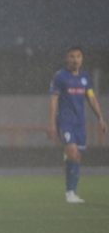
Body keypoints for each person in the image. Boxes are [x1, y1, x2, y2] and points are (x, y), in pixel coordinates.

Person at [47, 46, 107, 203]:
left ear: (82, 59)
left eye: (78, 56)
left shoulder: (85, 77)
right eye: (72, 56)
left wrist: (100, 118)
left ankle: (72, 190)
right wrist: (51, 124)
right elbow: (53, 101)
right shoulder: (60, 77)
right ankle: (70, 193)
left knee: (77, 157)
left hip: (80, 123)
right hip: (65, 121)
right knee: (73, 153)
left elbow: (91, 98)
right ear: (67, 59)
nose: (75, 60)